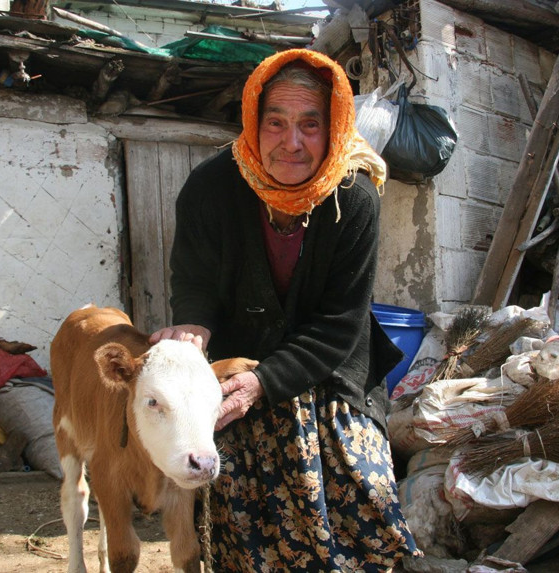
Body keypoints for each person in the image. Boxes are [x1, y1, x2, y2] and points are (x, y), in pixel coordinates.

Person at [150, 48, 419, 571]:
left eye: (310, 125)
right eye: (275, 122)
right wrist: (194, 326)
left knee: (357, 486)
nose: (291, 142)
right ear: (254, 123)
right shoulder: (210, 188)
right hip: (239, 360)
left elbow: (341, 322)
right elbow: (195, 281)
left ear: (333, 128)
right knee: (232, 487)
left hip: (331, 365)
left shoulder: (354, 198)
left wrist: (263, 383)